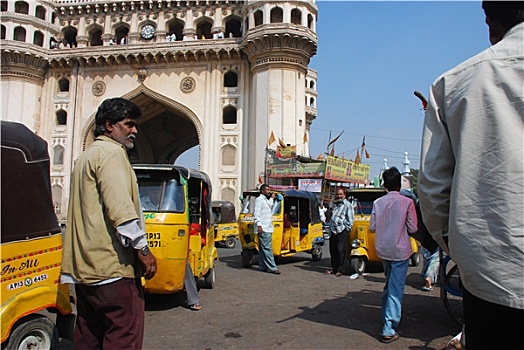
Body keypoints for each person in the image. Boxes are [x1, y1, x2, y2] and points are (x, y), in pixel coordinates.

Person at [419, 2, 524, 348]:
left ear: (490, 22)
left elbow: (433, 192)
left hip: (494, 281)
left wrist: (464, 249)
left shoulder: (453, 84)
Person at [61, 98, 157, 349]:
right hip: (112, 269)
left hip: (85, 270)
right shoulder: (112, 154)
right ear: (109, 125)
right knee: (123, 335)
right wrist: (144, 250)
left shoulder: (87, 156)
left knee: (88, 334)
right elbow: (121, 210)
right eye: (128, 124)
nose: (134, 130)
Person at [369, 167, 417, 344]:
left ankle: (386, 318)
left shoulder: (377, 203)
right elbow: (413, 228)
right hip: (400, 250)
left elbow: (372, 226)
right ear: (399, 184)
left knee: (389, 286)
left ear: (385, 185)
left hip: (383, 248)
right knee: (395, 289)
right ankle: (388, 328)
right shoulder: (407, 202)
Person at [253, 184, 281, 275]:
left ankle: (262, 266)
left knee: (262, 248)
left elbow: (270, 205)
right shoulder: (259, 200)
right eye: (267, 190)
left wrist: (272, 198)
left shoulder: (266, 200)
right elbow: (256, 213)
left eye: (269, 190)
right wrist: (259, 224)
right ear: (262, 191)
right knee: (267, 248)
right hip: (263, 227)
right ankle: (272, 267)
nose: (269, 191)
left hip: (268, 226)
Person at [327, 187, 354, 277]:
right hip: (333, 230)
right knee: (333, 250)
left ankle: (341, 270)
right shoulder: (335, 204)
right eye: (337, 194)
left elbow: (350, 220)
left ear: (344, 195)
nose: (339, 196)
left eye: (340, 194)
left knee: (341, 250)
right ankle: (334, 268)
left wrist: (346, 228)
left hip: (342, 230)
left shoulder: (347, 205)